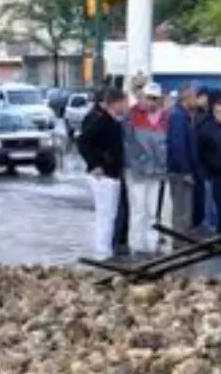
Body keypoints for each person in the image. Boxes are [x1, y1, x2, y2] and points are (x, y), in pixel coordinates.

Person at [78, 87, 131, 260]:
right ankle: (102, 252)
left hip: (113, 173)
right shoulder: (102, 121)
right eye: (124, 102)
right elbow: (83, 141)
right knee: (105, 214)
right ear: (115, 103)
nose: (126, 106)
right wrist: (95, 164)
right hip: (103, 176)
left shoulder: (114, 121)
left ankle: (107, 248)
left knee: (111, 214)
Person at [123, 82, 170, 253]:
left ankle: (151, 246)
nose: (151, 102)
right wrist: (139, 161)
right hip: (138, 171)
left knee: (152, 211)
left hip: (156, 172)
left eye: (154, 99)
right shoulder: (132, 115)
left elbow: (165, 145)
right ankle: (136, 246)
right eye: (149, 98)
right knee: (138, 210)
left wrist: (163, 166)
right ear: (143, 97)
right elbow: (128, 143)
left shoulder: (165, 117)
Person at [194, 91, 221, 235]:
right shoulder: (206, 129)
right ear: (213, 113)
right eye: (219, 112)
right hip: (218, 176)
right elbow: (200, 152)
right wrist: (206, 172)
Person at [166, 82, 203, 234]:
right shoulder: (179, 117)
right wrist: (186, 170)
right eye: (194, 96)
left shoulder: (184, 116)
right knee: (182, 208)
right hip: (180, 171)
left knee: (185, 207)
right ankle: (180, 241)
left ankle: (182, 238)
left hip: (184, 169)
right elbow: (178, 144)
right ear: (185, 97)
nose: (196, 100)